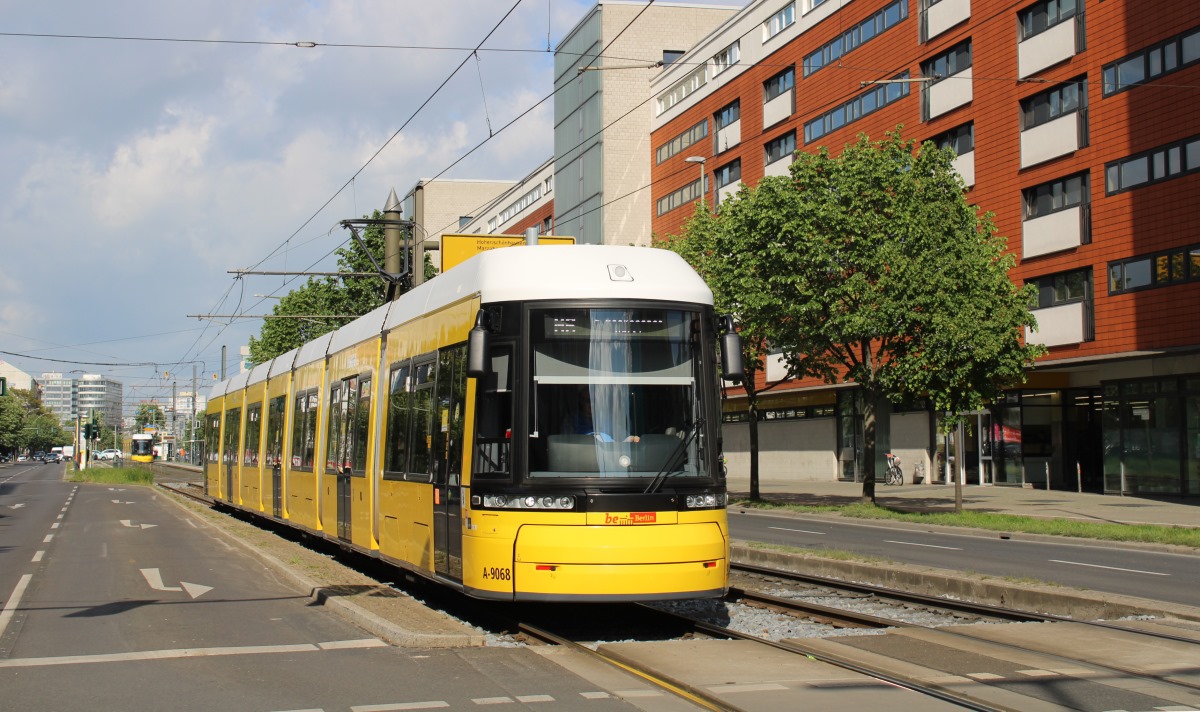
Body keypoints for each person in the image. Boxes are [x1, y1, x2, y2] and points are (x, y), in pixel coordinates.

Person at [565, 388, 639, 443]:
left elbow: (621, 439)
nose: (592, 404)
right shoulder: (572, 420)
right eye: (588, 401)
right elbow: (567, 442)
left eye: (595, 401)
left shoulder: (610, 419)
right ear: (581, 401)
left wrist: (627, 441)